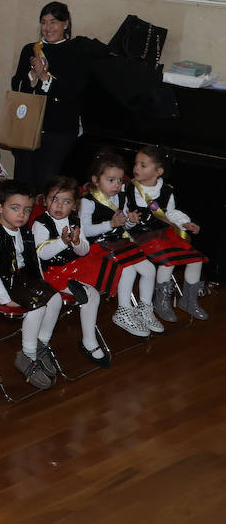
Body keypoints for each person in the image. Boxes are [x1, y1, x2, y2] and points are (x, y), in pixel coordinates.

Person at [0, 181, 65, 391]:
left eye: (26, 209)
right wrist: (4, 299)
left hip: (20, 278)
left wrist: (43, 283)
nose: (22, 215)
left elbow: (31, 259)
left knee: (56, 298)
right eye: (15, 208)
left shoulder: (22, 229)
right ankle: (27, 355)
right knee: (37, 305)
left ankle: (41, 343)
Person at [8, 1, 92, 185]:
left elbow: (74, 91)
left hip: (59, 129)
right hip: (28, 126)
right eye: (44, 22)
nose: (48, 27)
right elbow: (17, 85)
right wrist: (33, 76)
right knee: (23, 182)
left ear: (66, 24)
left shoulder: (77, 52)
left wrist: (45, 77)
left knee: (48, 183)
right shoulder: (30, 49)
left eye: (53, 22)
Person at [126, 145, 210, 322]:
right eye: (136, 163)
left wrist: (185, 222)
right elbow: (119, 213)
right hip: (140, 236)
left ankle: (188, 300)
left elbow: (170, 213)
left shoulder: (166, 190)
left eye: (143, 165)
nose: (136, 168)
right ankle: (161, 302)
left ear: (158, 171)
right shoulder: (128, 189)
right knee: (169, 259)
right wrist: (128, 218)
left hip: (162, 235)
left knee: (195, 259)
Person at [31, 176, 109, 367]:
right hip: (51, 273)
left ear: (74, 205)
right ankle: (44, 342)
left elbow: (84, 250)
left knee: (96, 288)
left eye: (66, 202)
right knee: (87, 296)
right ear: (45, 201)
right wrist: (62, 242)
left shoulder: (75, 221)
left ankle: (88, 341)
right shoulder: (40, 224)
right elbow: (43, 255)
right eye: (54, 200)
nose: (59, 206)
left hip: (73, 268)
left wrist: (76, 242)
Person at [79, 152, 159, 336]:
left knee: (149, 270)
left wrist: (131, 221)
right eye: (111, 180)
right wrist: (110, 224)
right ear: (96, 180)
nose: (117, 185)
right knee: (128, 270)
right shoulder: (87, 201)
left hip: (118, 243)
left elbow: (124, 224)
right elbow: (85, 231)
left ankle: (145, 308)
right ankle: (123, 310)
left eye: (120, 180)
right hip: (98, 247)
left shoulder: (121, 198)